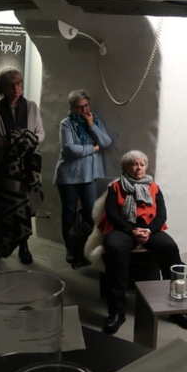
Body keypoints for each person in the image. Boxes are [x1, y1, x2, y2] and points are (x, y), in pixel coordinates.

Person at [98, 150, 187, 334]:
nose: (138, 167)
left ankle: (177, 309)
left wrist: (149, 230)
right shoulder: (115, 187)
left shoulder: (154, 187)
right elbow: (112, 214)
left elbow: (161, 215)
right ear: (125, 168)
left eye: (142, 164)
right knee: (115, 249)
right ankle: (116, 312)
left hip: (150, 228)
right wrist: (131, 230)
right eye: (134, 164)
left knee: (170, 248)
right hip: (123, 228)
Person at [0, 68, 45, 264]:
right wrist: (4, 141)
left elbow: (40, 133)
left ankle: (23, 245)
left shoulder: (31, 106)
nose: (16, 88)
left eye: (19, 83)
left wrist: (26, 139)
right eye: (11, 85)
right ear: (2, 88)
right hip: (1, 167)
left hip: (24, 168)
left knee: (22, 207)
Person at [54, 89, 112, 267]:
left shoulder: (96, 121)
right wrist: (92, 149)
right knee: (69, 214)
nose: (85, 110)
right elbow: (69, 149)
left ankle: (86, 250)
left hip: (90, 176)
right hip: (68, 176)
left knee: (91, 213)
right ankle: (71, 252)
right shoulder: (67, 123)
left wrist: (92, 126)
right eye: (80, 107)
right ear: (72, 108)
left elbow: (106, 142)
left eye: (86, 105)